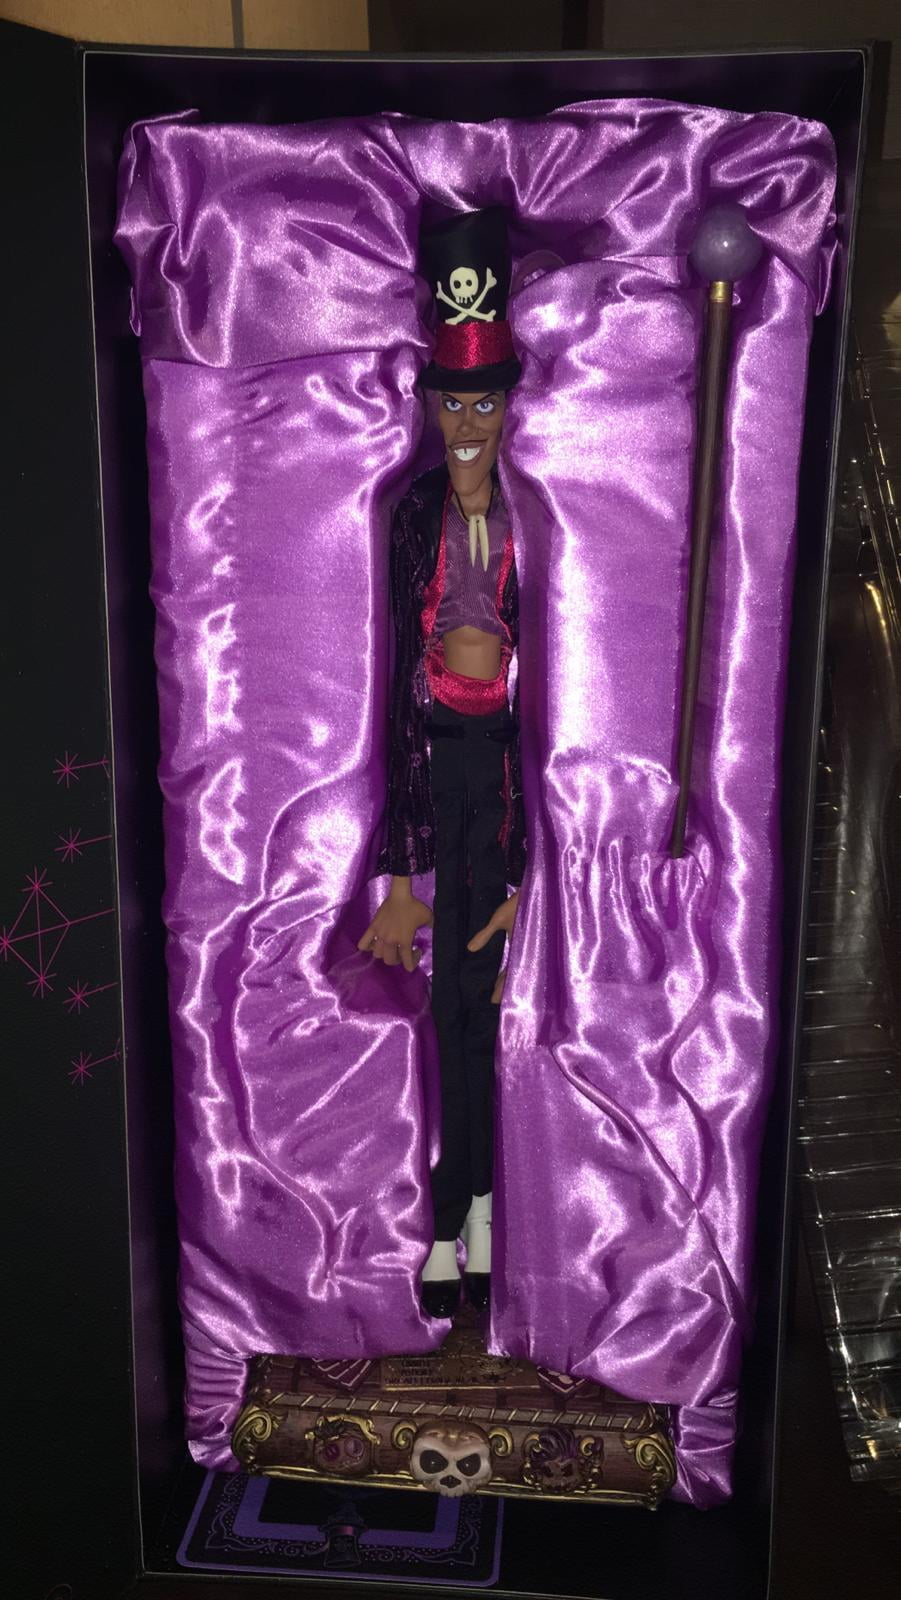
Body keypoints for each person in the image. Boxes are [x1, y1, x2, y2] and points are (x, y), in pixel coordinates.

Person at [358, 209, 525, 1319]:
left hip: (506, 781)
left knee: (486, 999)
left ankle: (482, 1210)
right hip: (436, 768)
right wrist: (399, 870)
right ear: (426, 405)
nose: (466, 422)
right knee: (441, 1009)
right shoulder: (413, 511)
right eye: (450, 403)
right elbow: (386, 687)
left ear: (510, 407)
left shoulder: (534, 512)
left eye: (485, 403)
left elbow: (569, 695)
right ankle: (445, 1213)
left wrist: (532, 873)